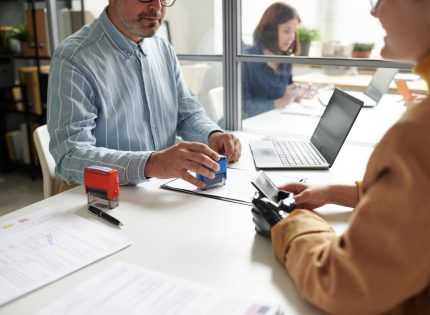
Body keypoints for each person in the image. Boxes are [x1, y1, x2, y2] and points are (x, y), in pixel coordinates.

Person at [251, 0, 430, 314]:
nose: (374, 12)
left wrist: (289, 222)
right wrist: (333, 193)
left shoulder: (418, 133)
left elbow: (344, 284)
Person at [47, 0, 241, 190]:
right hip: (102, 200)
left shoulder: (163, 48)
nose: (157, 6)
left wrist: (212, 135)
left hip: (160, 191)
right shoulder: (74, 58)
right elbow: (69, 157)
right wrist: (150, 164)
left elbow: (187, 113)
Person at [242, 2, 309, 118]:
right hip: (251, 126)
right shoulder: (246, 60)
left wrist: (297, 94)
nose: (292, 37)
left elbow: (286, 91)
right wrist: (281, 102)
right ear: (271, 30)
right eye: (287, 31)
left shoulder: (285, 60)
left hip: (277, 121)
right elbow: (243, 107)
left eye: (294, 31)